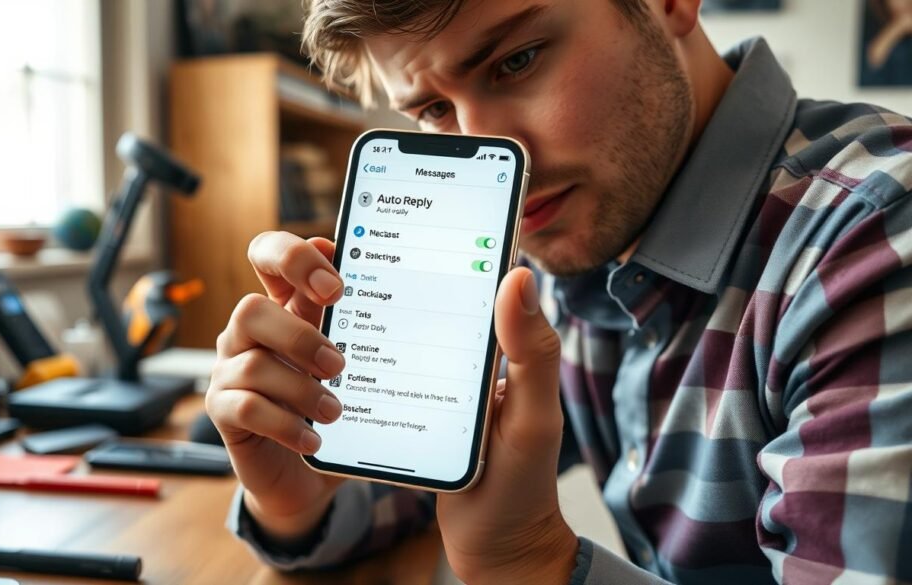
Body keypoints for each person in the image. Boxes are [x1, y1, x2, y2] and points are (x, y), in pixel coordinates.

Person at [204, 0, 912, 583]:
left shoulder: (880, 237)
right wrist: (294, 498)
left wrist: (532, 564)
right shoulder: (564, 247)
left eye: (517, 60)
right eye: (434, 109)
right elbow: (439, 477)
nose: (496, 153)